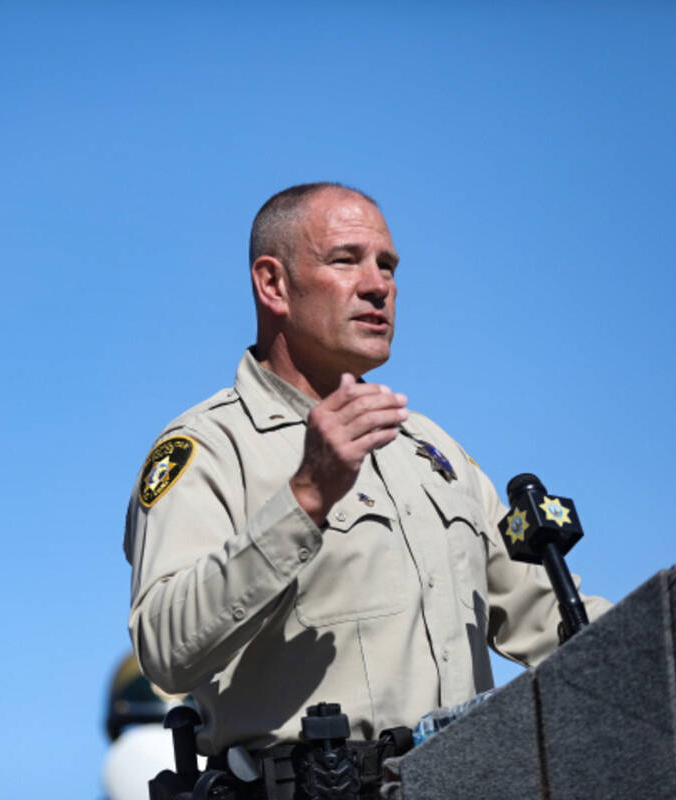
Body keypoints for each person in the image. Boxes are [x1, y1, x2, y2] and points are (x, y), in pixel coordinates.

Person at [123, 184, 610, 773]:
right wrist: (306, 497)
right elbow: (165, 646)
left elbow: (551, 617)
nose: (379, 285)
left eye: (388, 265)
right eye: (345, 259)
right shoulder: (209, 447)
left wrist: (670, 643)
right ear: (272, 284)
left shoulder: (431, 450)